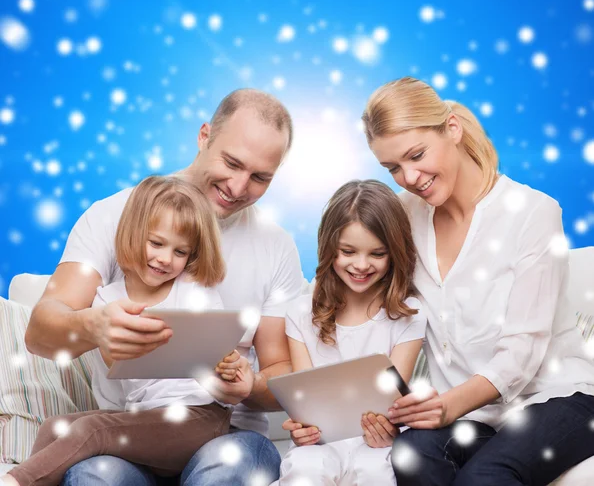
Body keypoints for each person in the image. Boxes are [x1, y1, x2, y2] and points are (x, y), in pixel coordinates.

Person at [25, 89, 305, 486]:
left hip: (225, 431)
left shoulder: (275, 246)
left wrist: (247, 385)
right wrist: (93, 327)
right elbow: (40, 332)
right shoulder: (114, 216)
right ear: (204, 135)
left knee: (231, 464)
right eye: (232, 162)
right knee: (94, 474)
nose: (239, 187)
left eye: (260, 178)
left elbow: (280, 373)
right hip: (130, 434)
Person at [361, 76, 594, 486]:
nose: (410, 176)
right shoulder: (404, 217)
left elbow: (522, 353)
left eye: (416, 155)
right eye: (393, 167)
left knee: (486, 475)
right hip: (475, 414)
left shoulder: (533, 213)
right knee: (412, 454)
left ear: (452, 128)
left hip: (558, 399)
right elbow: (376, 310)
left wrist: (448, 406)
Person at [4, 175, 251, 486]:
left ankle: (15, 481)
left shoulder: (195, 291)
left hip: (199, 418)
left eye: (180, 252)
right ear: (133, 234)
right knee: (54, 428)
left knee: (92, 431)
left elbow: (219, 356)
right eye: (157, 243)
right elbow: (117, 370)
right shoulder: (106, 299)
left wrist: (230, 369)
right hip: (144, 421)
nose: (165, 259)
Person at [276, 180, 427, 485]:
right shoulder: (301, 312)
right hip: (319, 443)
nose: (361, 265)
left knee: (375, 471)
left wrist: (387, 430)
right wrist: (303, 428)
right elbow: (305, 402)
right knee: (306, 469)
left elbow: (393, 402)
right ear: (330, 248)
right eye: (348, 251)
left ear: (394, 252)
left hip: (377, 443)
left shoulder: (409, 314)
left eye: (377, 253)